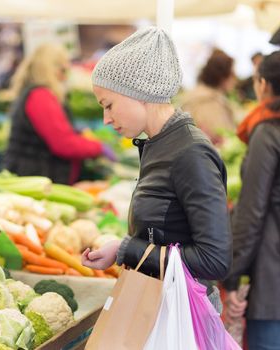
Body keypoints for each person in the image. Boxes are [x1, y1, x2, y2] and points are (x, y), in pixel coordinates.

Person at [81, 27, 232, 311]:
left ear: (139, 93)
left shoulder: (191, 153)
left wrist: (127, 249)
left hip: (183, 315)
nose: (106, 119)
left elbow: (215, 259)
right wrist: (121, 249)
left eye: (109, 105)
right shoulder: (159, 143)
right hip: (161, 304)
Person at [223, 50, 280, 349]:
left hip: (272, 276)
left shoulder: (267, 133)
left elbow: (251, 213)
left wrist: (231, 276)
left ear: (263, 84)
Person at [3, 44, 115, 185]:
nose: (66, 75)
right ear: (54, 69)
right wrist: (98, 147)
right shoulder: (40, 96)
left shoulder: (38, 94)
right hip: (35, 178)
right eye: (64, 68)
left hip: (36, 176)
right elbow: (63, 144)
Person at [180, 49, 236, 144]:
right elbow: (221, 138)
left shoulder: (198, 94)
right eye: (232, 73)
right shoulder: (209, 102)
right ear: (223, 77)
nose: (235, 78)